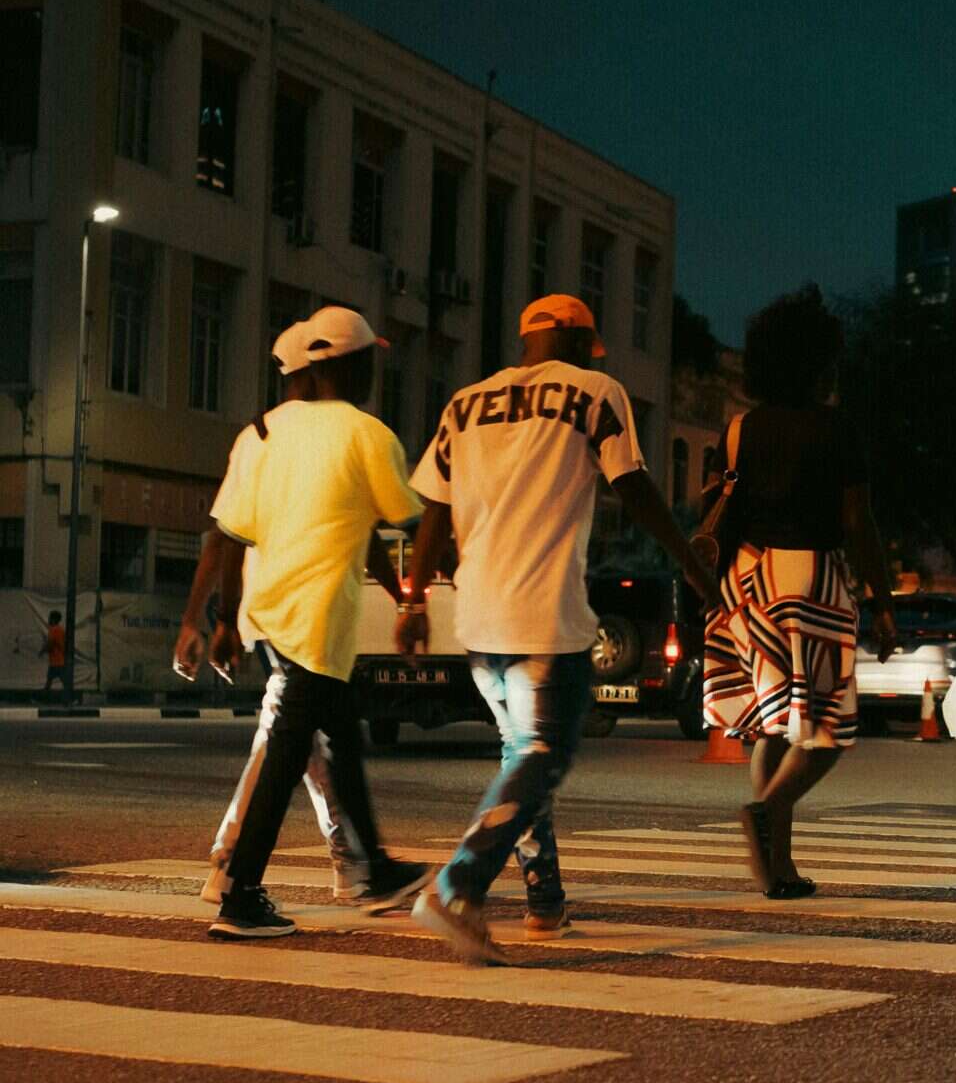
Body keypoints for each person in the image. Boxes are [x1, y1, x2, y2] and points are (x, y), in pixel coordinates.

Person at [400, 293, 715, 961]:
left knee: (524, 759)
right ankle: (457, 886)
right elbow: (631, 485)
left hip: (478, 614)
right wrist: (689, 564)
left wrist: (413, 600)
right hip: (542, 611)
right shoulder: (597, 392)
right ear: (576, 339)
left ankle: (544, 905)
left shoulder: (465, 402)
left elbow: (433, 507)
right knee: (546, 754)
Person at [202, 306, 429, 939]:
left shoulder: (266, 432)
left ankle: (376, 867)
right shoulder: (367, 434)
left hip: (271, 612)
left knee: (342, 737)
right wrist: (418, 597)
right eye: (372, 361)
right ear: (355, 365)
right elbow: (410, 520)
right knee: (287, 753)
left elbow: (228, 531)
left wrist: (224, 620)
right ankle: (239, 894)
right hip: (320, 616)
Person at [701, 285, 897, 899]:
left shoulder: (740, 428)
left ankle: (777, 869)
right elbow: (857, 521)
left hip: (749, 580)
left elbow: (716, 505)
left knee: (770, 728)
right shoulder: (836, 429)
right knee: (826, 731)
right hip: (811, 579)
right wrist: (884, 599)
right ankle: (769, 809)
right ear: (818, 362)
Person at [41, 611, 67, 699]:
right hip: (61, 660)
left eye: (50, 618)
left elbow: (50, 643)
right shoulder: (61, 630)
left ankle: (43, 699)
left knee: (49, 682)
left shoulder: (53, 630)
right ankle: (69, 699)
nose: (49, 620)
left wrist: (42, 651)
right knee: (63, 681)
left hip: (55, 661)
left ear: (54, 619)